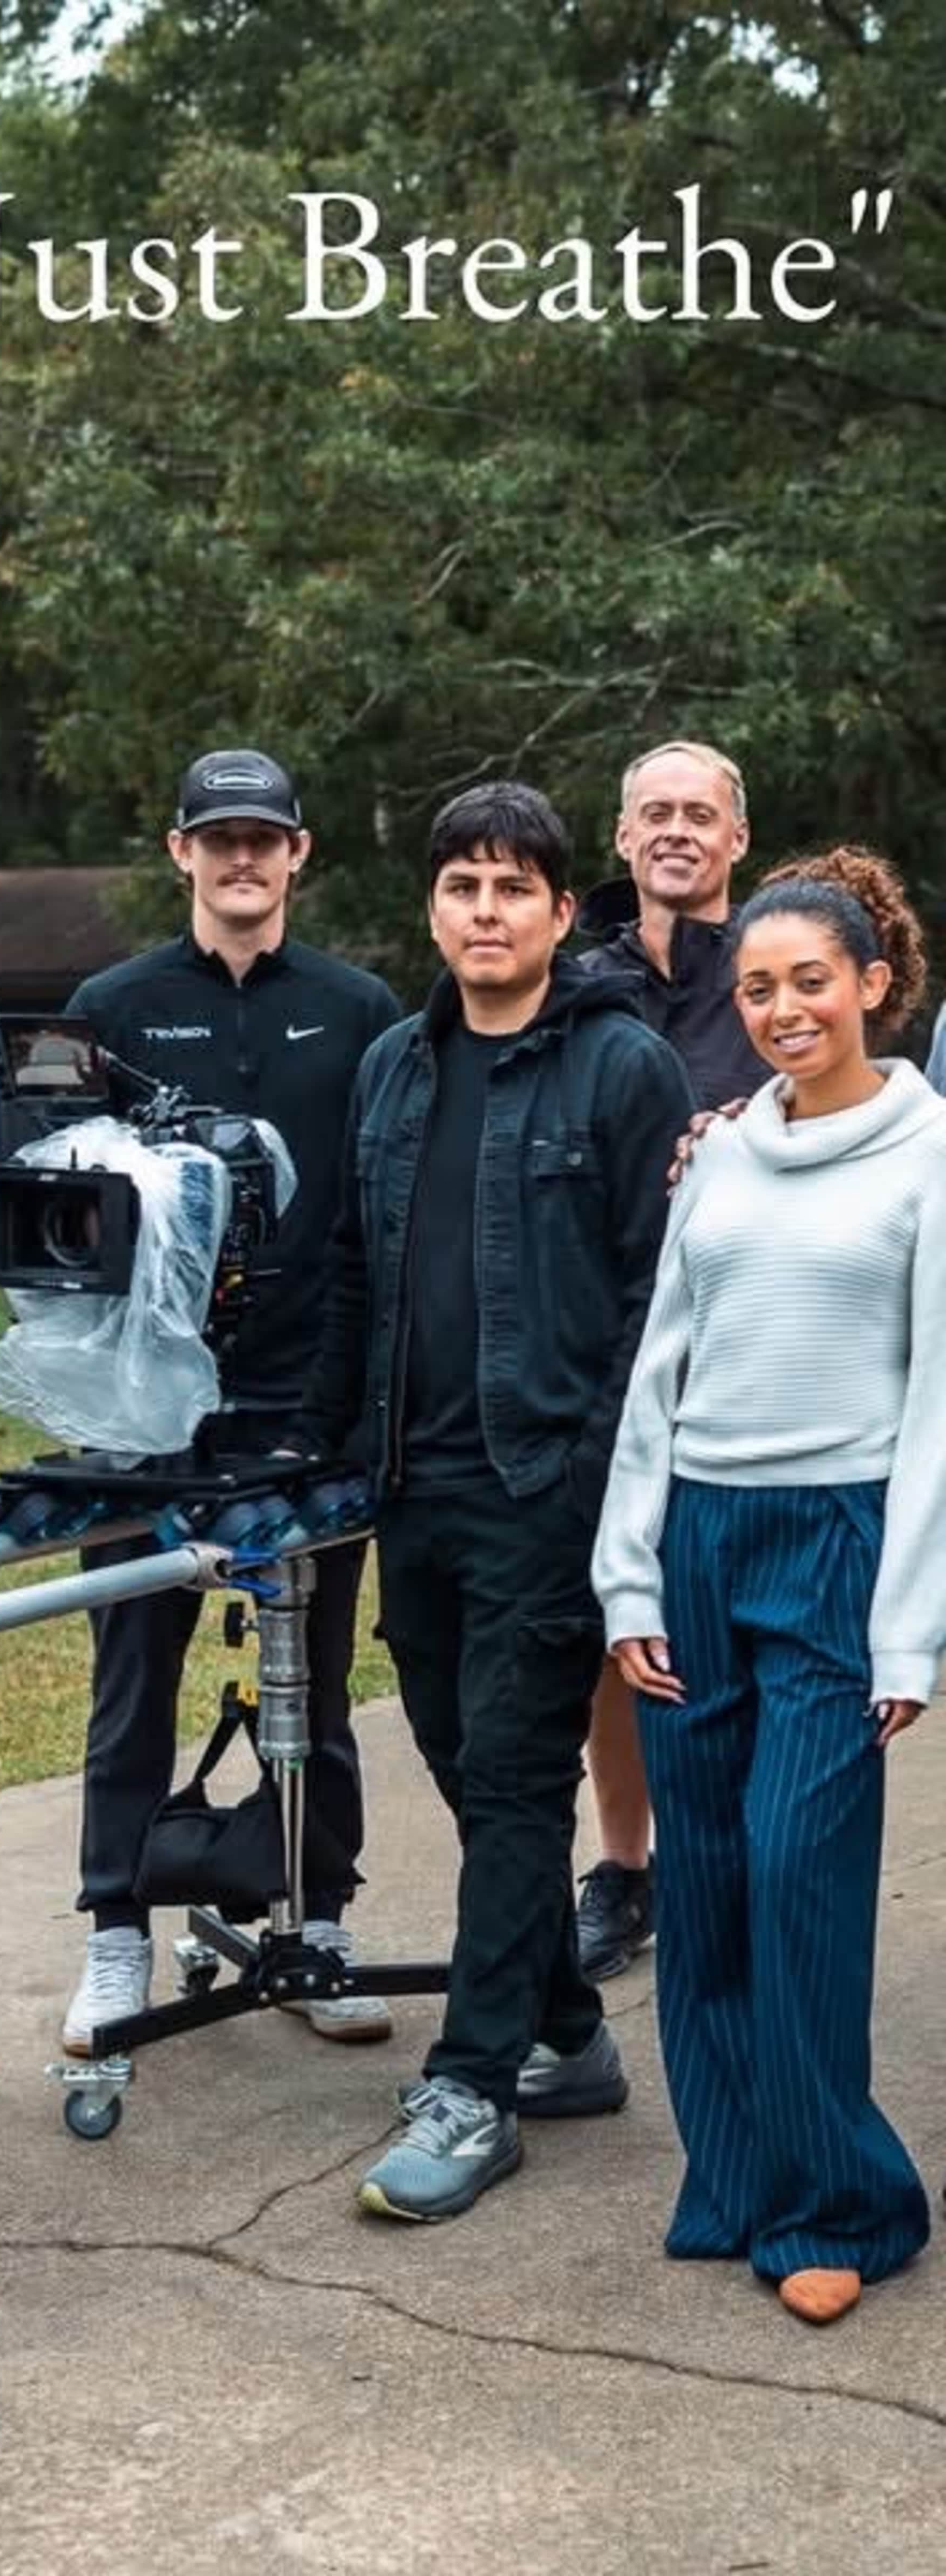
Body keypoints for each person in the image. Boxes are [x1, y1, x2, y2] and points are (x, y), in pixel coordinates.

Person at [295, 782, 693, 2223]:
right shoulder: (398, 1066)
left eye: (512, 888)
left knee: (520, 1777)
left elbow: (660, 1292)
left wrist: (605, 1473)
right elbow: (353, 1262)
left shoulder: (621, 1068)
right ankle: (573, 2038)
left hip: (549, 1486)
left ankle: (475, 2084)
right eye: (462, 886)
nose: (484, 911)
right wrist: (325, 1449)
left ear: (554, 907)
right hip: (418, 1483)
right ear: (434, 909)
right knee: (470, 1771)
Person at [593, 848, 940, 2327]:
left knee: (801, 1874)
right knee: (713, 1879)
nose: (786, 1008)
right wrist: (630, 1581)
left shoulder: (931, 1157)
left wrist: (908, 1625)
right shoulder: (720, 1150)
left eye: (812, 981)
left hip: (841, 1542)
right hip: (698, 1541)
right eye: (759, 989)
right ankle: (733, 2173)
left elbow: (938, 1404)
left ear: (872, 986)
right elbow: (660, 1366)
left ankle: (839, 2201)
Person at [57, 749, 401, 2053]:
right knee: (128, 1665)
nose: (241, 859)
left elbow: (383, 1197)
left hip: (309, 1391)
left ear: (299, 852)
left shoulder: (361, 1007)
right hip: (148, 1401)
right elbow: (58, 1206)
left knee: (311, 1665)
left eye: (264, 838)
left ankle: (313, 1917)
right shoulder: (111, 1002)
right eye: (218, 838)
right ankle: (111, 1931)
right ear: (178, 850)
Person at [571, 740, 765, 1983]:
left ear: (735, 840)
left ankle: (731, 1859)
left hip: (746, 1361)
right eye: (655, 812)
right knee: (611, 1629)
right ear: (622, 834)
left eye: (700, 813)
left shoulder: (769, 976)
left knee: (732, 1627)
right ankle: (625, 1865)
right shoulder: (569, 979)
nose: (677, 830)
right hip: (595, 1355)